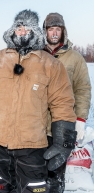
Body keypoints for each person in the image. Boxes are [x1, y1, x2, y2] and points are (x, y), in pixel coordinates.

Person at [0, 9, 77, 193]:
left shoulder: (51, 64)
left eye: (27, 28)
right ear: (12, 31)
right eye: (18, 28)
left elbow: (63, 102)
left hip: (32, 147)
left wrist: (63, 142)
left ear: (35, 32)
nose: (22, 32)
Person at [43, 12, 91, 192]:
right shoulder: (37, 55)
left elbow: (83, 89)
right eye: (50, 29)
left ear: (63, 31)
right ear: (45, 32)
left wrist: (80, 119)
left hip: (64, 126)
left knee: (55, 174)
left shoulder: (75, 58)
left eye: (58, 29)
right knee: (36, 175)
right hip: (37, 127)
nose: (54, 33)